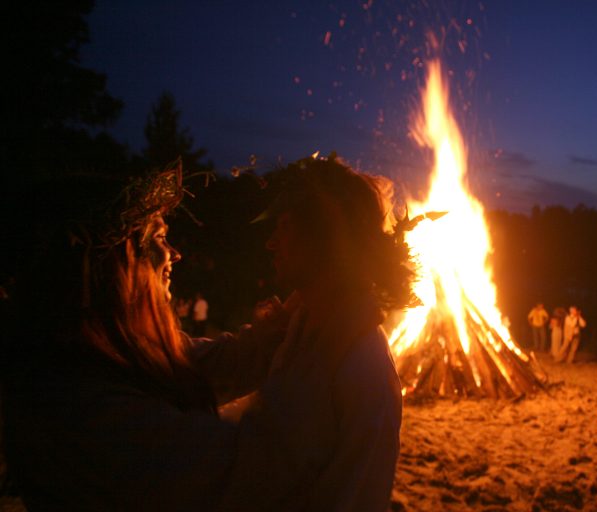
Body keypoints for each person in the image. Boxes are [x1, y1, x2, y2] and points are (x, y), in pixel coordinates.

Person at [1, 166, 302, 510]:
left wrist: (308, 298)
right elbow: (245, 465)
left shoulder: (116, 354)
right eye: (159, 238)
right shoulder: (75, 397)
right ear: (115, 261)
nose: (175, 253)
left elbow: (222, 361)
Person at [252, 154, 410, 511]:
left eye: (286, 228)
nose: (271, 243)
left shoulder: (363, 370)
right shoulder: (298, 330)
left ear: (325, 241)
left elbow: (354, 499)